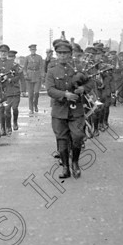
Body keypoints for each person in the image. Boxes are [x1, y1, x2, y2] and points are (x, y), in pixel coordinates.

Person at [45, 40, 85, 179]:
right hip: (59, 110)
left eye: (66, 53)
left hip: (76, 110)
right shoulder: (52, 71)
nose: (62, 56)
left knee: (78, 136)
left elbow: (90, 82)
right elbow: (50, 89)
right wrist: (65, 95)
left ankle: (75, 162)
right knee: (61, 139)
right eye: (60, 53)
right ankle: (66, 168)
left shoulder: (78, 67)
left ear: (70, 54)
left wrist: (83, 89)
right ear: (56, 54)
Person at [24, 44, 44, 114]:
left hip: (37, 76)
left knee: (36, 93)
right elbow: (24, 68)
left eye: (34, 49)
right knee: (30, 94)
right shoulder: (27, 58)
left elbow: (42, 67)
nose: (33, 51)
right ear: (30, 50)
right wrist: (25, 75)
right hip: (29, 76)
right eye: (32, 49)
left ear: (36, 50)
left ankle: (35, 105)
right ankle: (31, 108)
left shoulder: (39, 57)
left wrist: (42, 75)